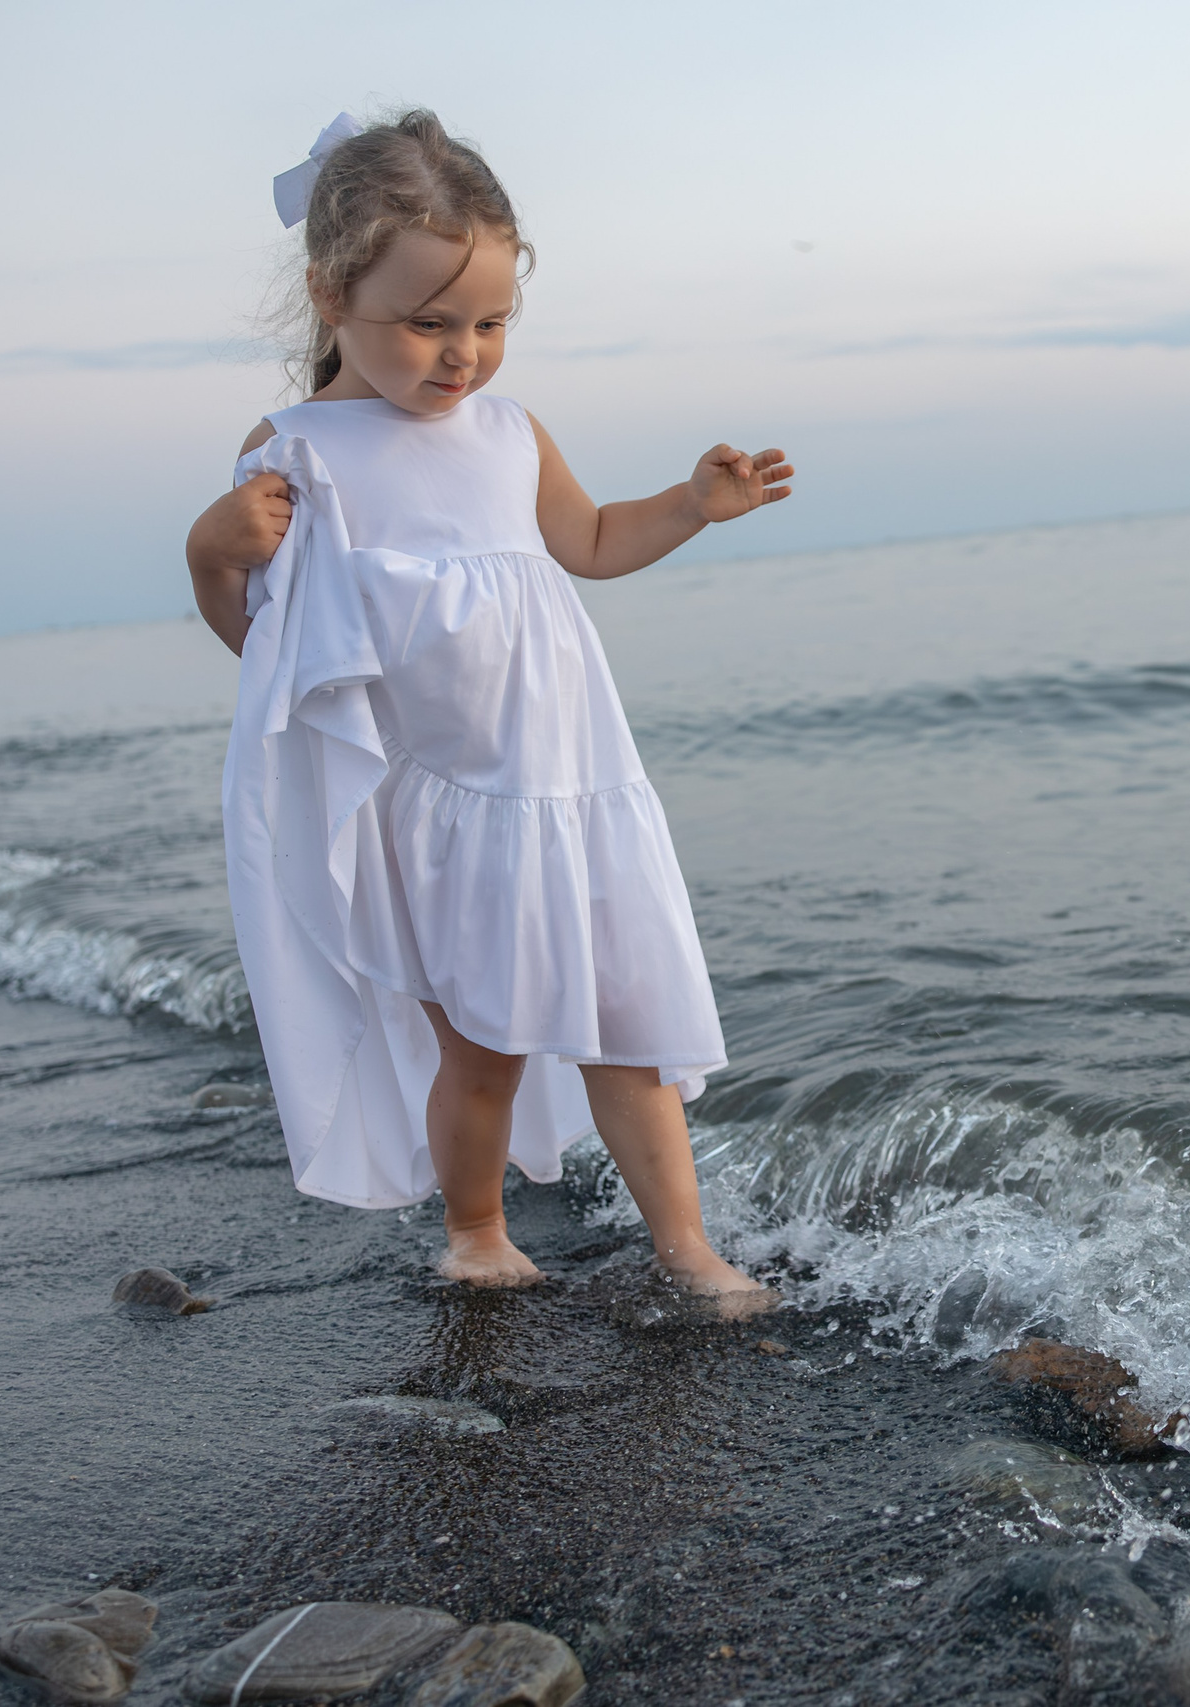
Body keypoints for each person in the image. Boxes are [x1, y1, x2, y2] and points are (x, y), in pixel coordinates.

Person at [181, 110, 787, 1296]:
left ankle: (689, 1250)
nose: (463, 355)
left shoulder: (509, 435)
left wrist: (688, 504)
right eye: (428, 324)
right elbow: (271, 654)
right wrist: (211, 556)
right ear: (329, 295)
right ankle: (474, 1231)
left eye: (491, 324)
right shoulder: (301, 452)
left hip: (578, 789)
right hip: (449, 805)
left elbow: (595, 541)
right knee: (484, 1046)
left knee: (631, 1026)